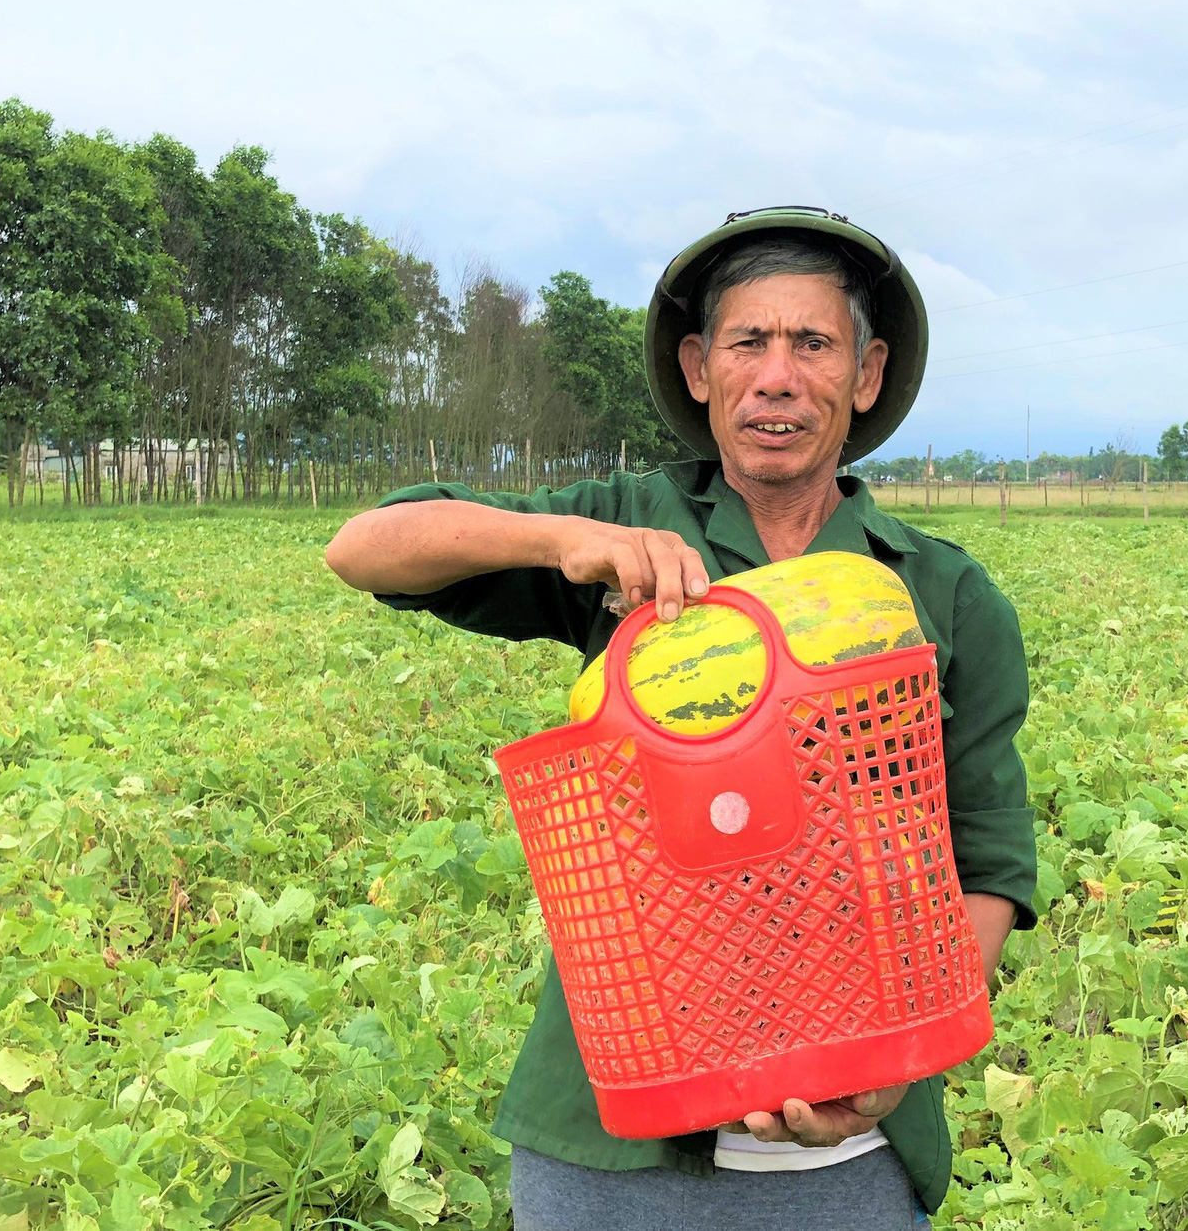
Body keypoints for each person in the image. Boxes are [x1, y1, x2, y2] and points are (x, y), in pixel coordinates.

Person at [326, 207, 1037, 1230]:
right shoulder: (628, 521)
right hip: (608, 1142)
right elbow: (364, 547)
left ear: (866, 373)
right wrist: (562, 538)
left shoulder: (943, 592)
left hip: (849, 1160)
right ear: (700, 367)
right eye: (748, 342)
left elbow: (988, 862)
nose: (777, 375)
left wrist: (895, 1060)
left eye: (812, 343)